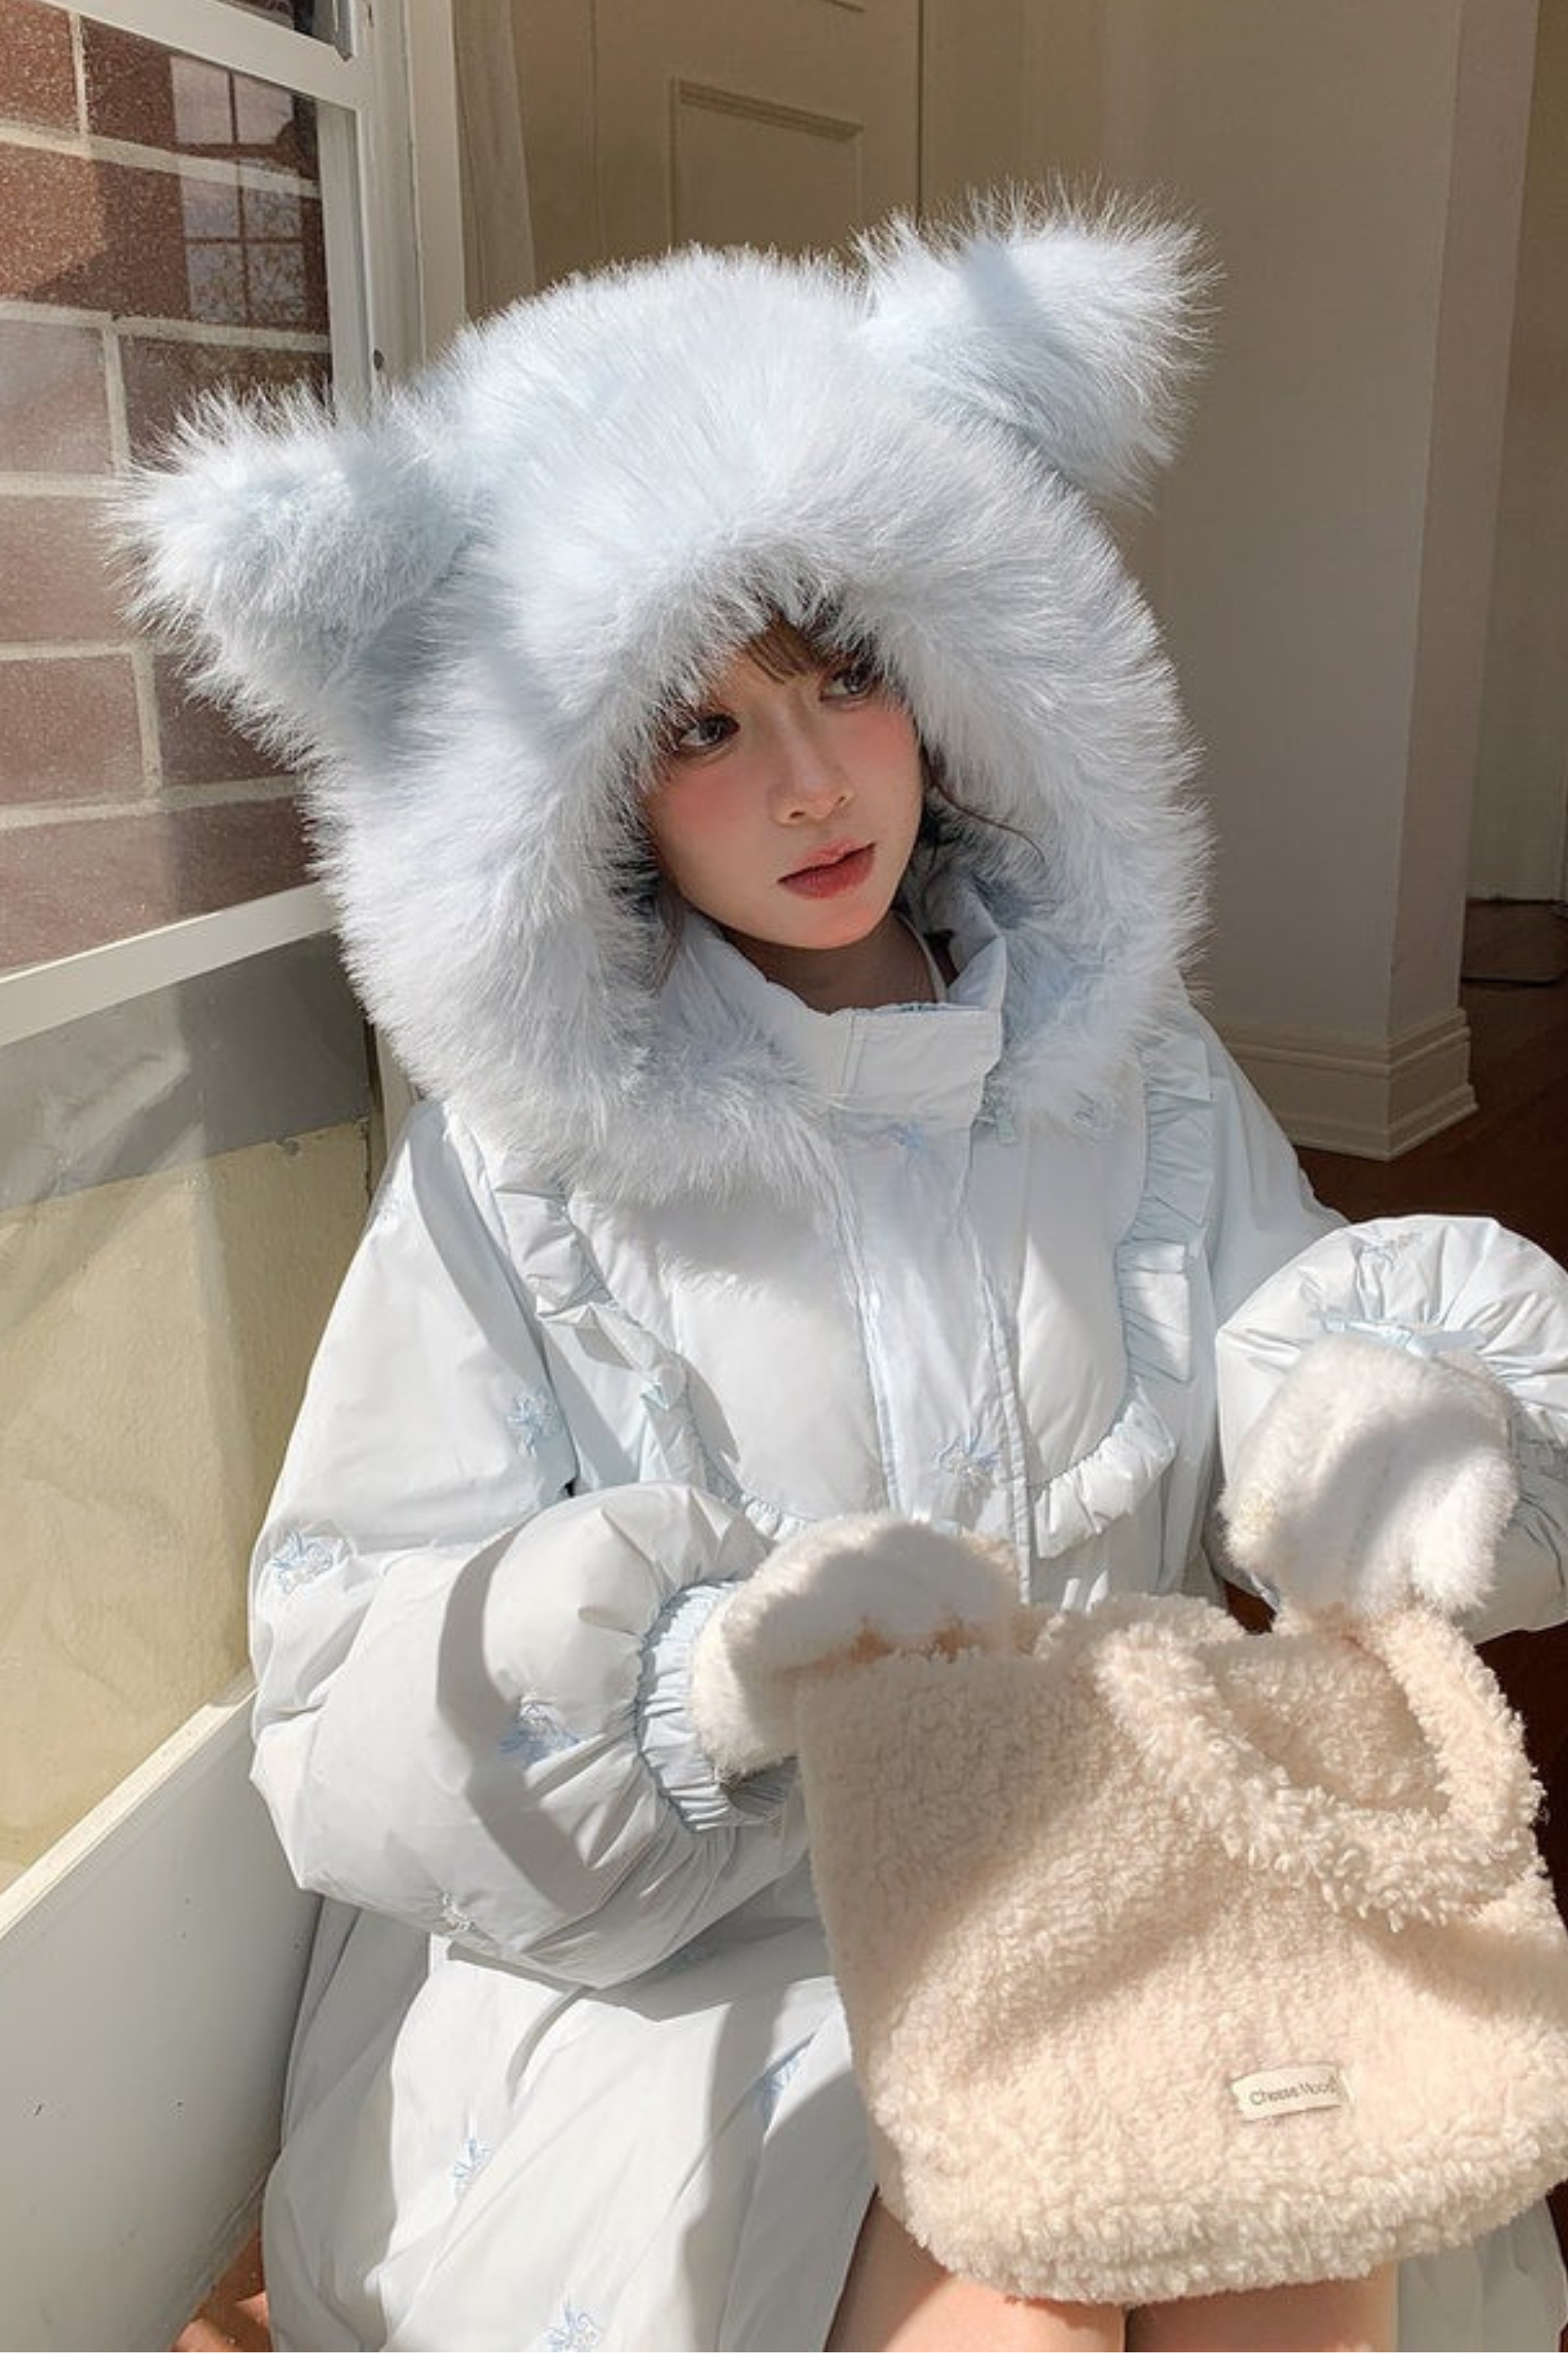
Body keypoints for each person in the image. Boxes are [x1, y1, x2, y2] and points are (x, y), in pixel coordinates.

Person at [127, 201, 1568, 2351]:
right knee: (1014, 2276)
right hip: (702, 1948)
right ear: (584, 789)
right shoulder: (517, 1173)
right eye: (700, 726)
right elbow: (352, 1662)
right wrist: (692, 1685)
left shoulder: (1125, 1063)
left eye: (845, 678)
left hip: (1113, 1849)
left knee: (1279, 2198)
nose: (807, 781)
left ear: (953, 662)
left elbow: (1275, 1331)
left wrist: (1379, 1427)